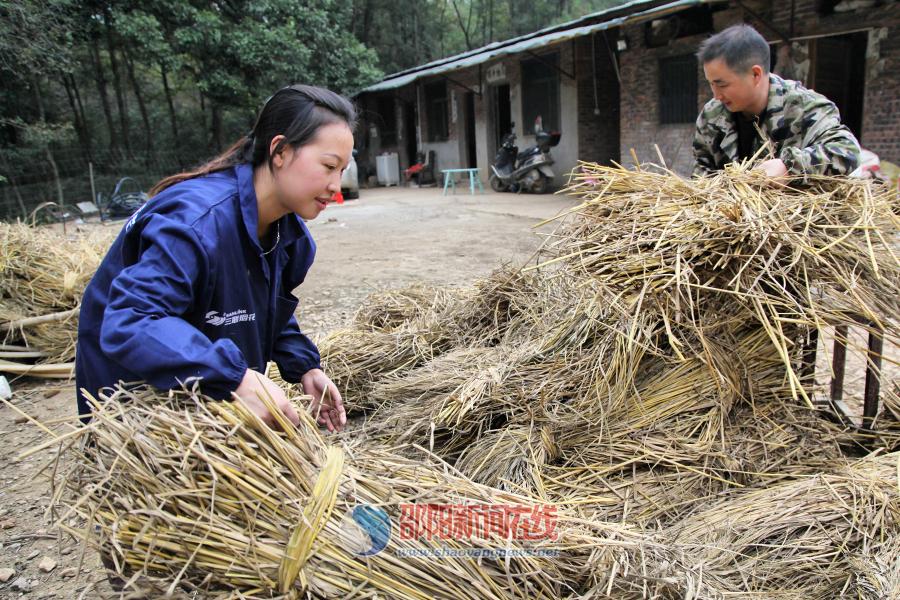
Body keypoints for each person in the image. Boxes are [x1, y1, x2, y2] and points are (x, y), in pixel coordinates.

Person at [75, 85, 351, 432]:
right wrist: (235, 378)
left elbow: (266, 310)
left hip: (204, 388)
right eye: (328, 166)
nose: (335, 186)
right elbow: (132, 319)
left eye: (342, 171)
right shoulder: (196, 223)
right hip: (137, 393)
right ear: (280, 151)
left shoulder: (291, 238)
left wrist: (305, 366)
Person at [692, 24, 860, 181]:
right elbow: (701, 169)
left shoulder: (804, 108)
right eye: (711, 83)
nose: (716, 95)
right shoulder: (712, 115)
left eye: (722, 84)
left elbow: (847, 151)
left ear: (755, 74)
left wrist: (789, 166)